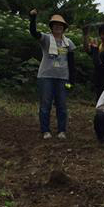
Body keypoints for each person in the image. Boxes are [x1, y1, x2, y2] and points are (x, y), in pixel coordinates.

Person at [29, 9, 75, 140]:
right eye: (55, 25)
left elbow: (71, 63)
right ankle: (45, 130)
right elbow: (33, 33)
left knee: (62, 105)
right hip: (46, 77)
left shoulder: (69, 43)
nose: (58, 27)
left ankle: (61, 130)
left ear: (64, 28)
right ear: (51, 27)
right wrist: (33, 18)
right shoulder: (46, 39)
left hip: (63, 78)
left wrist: (72, 80)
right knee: (45, 104)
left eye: (60, 26)